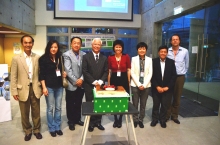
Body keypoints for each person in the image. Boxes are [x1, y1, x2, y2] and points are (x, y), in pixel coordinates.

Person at [10, 35, 43, 141]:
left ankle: (37, 130)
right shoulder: (16, 58)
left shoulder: (37, 57)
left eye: (30, 42)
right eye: (25, 42)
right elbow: (13, 76)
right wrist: (14, 90)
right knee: (24, 113)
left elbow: (41, 74)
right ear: (22, 44)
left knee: (36, 112)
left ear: (32, 44)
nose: (28, 44)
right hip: (22, 89)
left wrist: (42, 88)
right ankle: (28, 131)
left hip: (35, 88)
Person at [39, 40, 66, 137]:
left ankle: (57, 126)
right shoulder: (43, 59)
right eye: (51, 47)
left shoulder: (60, 58)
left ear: (58, 48)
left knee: (58, 108)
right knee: (50, 108)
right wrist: (44, 87)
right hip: (49, 87)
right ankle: (51, 128)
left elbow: (63, 69)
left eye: (55, 47)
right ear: (48, 48)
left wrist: (64, 73)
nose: (53, 49)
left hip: (59, 86)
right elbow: (41, 74)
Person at [82, 38, 108, 132]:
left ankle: (98, 122)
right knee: (90, 104)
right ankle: (91, 123)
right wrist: (94, 82)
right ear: (92, 45)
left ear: (101, 46)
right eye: (95, 44)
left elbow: (106, 71)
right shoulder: (86, 57)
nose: (97, 46)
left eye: (98, 45)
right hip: (89, 85)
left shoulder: (104, 58)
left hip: (100, 86)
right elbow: (85, 71)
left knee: (100, 104)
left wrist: (100, 82)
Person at [151, 45, 177, 128]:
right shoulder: (153, 61)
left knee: (165, 105)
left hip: (167, 89)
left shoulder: (171, 62)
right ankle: (154, 119)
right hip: (156, 88)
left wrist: (167, 87)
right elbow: (151, 75)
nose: (163, 53)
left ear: (167, 53)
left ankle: (162, 120)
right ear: (158, 52)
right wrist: (157, 86)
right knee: (156, 104)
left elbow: (174, 76)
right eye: (161, 52)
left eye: (165, 52)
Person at [63, 37, 86, 131]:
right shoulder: (66, 55)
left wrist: (81, 79)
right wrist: (76, 81)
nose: (76, 45)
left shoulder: (84, 54)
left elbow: (85, 69)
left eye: (78, 43)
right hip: (71, 84)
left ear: (81, 45)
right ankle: (71, 121)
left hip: (81, 84)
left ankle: (77, 119)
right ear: (71, 44)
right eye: (74, 43)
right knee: (70, 104)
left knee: (79, 103)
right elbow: (68, 70)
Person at [166, 34, 189, 124]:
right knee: (168, 97)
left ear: (179, 41)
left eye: (176, 39)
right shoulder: (167, 51)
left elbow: (187, 64)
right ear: (171, 41)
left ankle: (174, 116)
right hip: (169, 77)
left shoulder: (185, 51)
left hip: (180, 77)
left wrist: (183, 72)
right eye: (173, 39)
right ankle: (167, 115)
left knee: (177, 97)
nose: (175, 41)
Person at [107, 40, 131, 128]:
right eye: (116, 47)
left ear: (122, 48)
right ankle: (115, 118)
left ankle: (120, 118)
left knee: (123, 99)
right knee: (114, 99)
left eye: (120, 47)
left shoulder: (126, 56)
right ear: (114, 48)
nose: (118, 48)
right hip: (114, 80)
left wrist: (129, 82)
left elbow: (128, 69)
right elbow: (109, 71)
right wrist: (109, 83)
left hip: (124, 79)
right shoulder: (110, 57)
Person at [130, 42, 152, 128]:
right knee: (135, 103)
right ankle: (135, 119)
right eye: (140, 48)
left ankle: (141, 119)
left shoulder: (150, 60)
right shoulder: (134, 59)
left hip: (146, 85)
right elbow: (132, 72)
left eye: (143, 48)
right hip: (135, 85)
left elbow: (150, 73)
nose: (142, 50)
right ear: (137, 50)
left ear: (146, 50)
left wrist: (144, 84)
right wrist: (139, 84)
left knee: (143, 104)